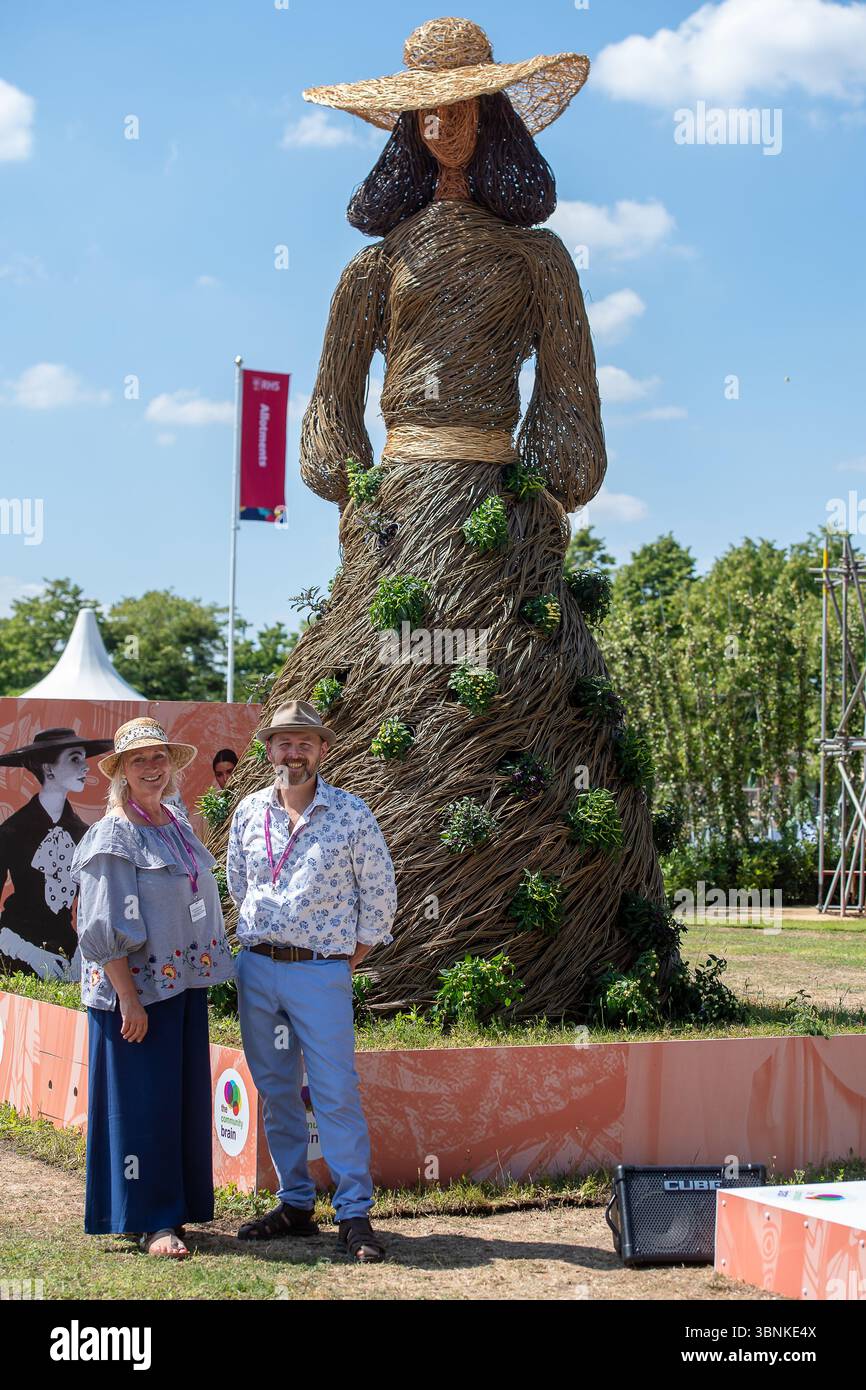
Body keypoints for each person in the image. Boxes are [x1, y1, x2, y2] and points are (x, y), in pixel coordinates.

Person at [226, 699, 396, 1262]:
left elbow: (379, 897)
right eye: (282, 742)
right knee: (276, 1092)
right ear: (269, 749)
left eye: (304, 743)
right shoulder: (249, 811)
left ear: (322, 749)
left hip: (321, 970)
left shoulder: (351, 813)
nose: (292, 752)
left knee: (334, 1092)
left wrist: (343, 964)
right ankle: (296, 1203)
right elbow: (238, 884)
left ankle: (354, 1214)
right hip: (258, 968)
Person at [71, 717, 234, 1257]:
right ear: (120, 772)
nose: (151, 766)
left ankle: (176, 1208)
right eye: (139, 759)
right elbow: (100, 923)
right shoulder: (114, 833)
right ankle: (153, 1220)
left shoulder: (176, 822)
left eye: (158, 756)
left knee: (177, 1102)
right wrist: (129, 998)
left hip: (181, 989)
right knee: (142, 1106)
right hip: (137, 995)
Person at [0, 728, 112, 980]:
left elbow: (92, 907)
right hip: (14, 955)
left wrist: (81, 956)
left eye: (84, 758)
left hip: (67, 955)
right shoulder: (11, 831)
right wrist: (27, 953)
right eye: (75, 758)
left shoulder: (84, 834)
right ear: (48, 769)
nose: (86, 767)